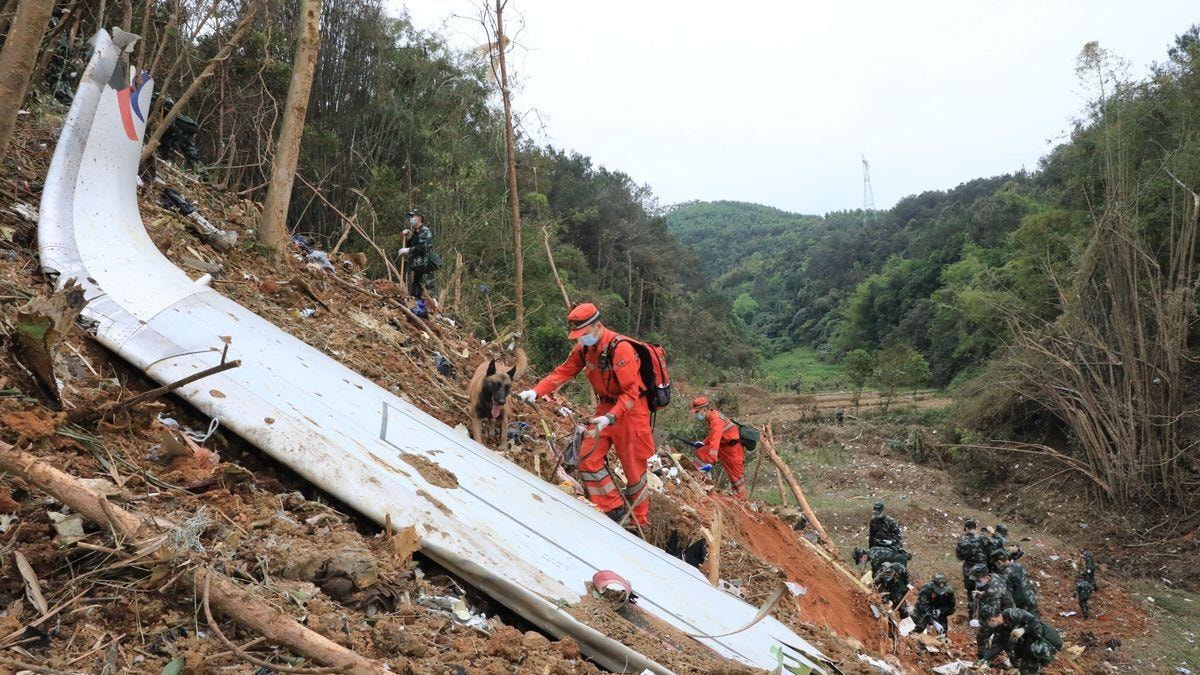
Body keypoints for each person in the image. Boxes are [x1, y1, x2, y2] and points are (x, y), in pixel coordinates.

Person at [517, 303, 655, 527]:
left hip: (631, 412)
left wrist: (611, 417)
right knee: (587, 458)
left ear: (598, 326)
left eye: (584, 334)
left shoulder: (621, 349)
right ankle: (614, 510)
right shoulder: (583, 348)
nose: (582, 338)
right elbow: (563, 372)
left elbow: (632, 392)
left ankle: (638, 522)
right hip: (605, 408)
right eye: (578, 336)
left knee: (634, 471)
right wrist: (536, 391)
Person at [689, 396, 747, 499]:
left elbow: (715, 440)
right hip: (724, 447)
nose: (696, 414)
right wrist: (703, 443)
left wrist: (710, 460)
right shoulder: (712, 416)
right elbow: (713, 435)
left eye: (697, 412)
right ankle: (697, 477)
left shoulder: (716, 420)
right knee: (701, 452)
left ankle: (741, 500)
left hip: (733, 449)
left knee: (736, 477)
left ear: (705, 410)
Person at [985, 607, 1062, 674]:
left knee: (1028, 667)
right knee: (1022, 662)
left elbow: (1035, 622)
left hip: (1046, 640)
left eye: (992, 620)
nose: (992, 623)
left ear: (999, 615)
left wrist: (1023, 629)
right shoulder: (999, 628)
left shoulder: (1011, 614)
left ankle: (1031, 668)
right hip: (1031, 643)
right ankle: (1022, 665)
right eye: (989, 622)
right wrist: (985, 659)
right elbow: (998, 644)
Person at [971, 563, 1014, 660]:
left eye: (978, 580)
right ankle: (984, 658)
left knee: (1001, 641)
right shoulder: (993, 576)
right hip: (1001, 610)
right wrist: (982, 594)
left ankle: (1017, 664)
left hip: (1004, 617)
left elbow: (992, 613)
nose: (976, 582)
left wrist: (979, 622)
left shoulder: (993, 591)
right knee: (982, 636)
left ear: (986, 577)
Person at [396, 209, 441, 304]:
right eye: (411, 217)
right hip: (417, 268)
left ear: (419, 218)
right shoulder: (415, 232)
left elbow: (422, 247)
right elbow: (411, 244)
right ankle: (414, 312)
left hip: (425, 268)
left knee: (428, 293)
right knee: (415, 293)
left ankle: (433, 314)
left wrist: (408, 250)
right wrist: (408, 237)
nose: (411, 219)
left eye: (413, 216)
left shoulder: (425, 231)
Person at [955, 518, 992, 617]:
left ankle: (971, 616)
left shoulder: (962, 542)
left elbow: (959, 557)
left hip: (969, 571)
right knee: (984, 592)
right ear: (976, 528)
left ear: (966, 528)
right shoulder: (984, 539)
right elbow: (991, 551)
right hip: (983, 570)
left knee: (971, 594)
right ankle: (983, 616)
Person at [992, 549, 1039, 614]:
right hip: (1032, 597)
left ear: (999, 562)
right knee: (1034, 619)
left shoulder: (1006, 573)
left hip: (1022, 603)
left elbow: (1008, 594)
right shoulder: (1019, 565)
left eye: (996, 564)